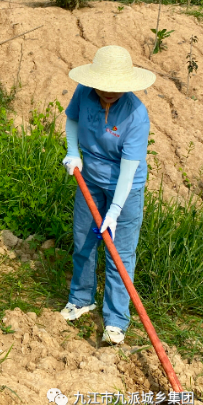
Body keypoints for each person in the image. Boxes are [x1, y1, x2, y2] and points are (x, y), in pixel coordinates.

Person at [60, 45, 156, 344]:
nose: (109, 92)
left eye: (116, 87)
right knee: (83, 240)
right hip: (90, 179)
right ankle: (81, 298)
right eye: (104, 86)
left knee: (120, 255)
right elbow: (73, 119)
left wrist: (114, 212)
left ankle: (116, 319)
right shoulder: (84, 93)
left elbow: (129, 170)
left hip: (125, 189)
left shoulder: (136, 114)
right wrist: (73, 152)